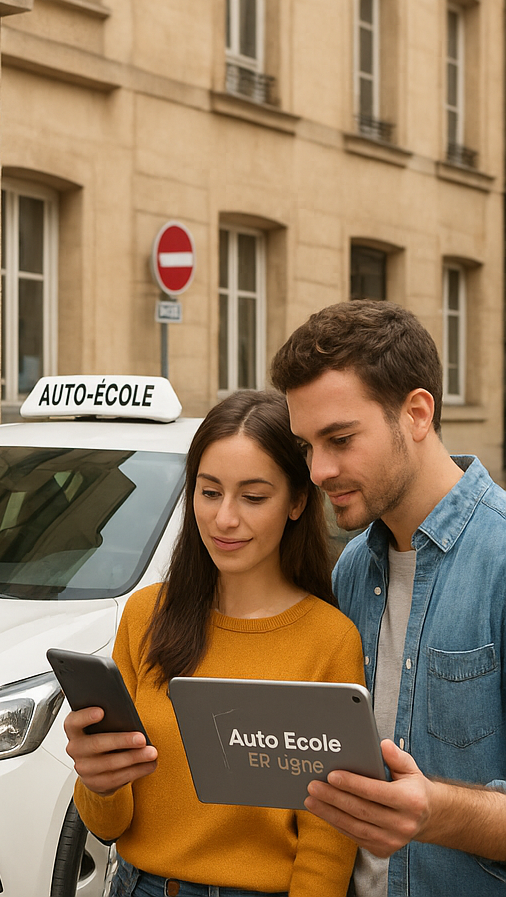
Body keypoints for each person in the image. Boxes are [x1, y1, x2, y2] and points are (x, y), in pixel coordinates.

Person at [63, 390, 364, 897]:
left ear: (296, 501)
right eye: (209, 492)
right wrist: (98, 780)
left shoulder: (330, 639)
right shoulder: (146, 616)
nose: (225, 519)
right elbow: (107, 826)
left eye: (252, 497)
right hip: (137, 886)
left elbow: (329, 836)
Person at [273, 300, 506, 896]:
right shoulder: (353, 568)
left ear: (417, 413)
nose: (320, 470)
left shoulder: (501, 561)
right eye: (307, 447)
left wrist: (436, 812)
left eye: (341, 438)